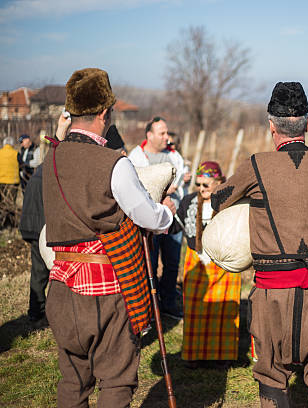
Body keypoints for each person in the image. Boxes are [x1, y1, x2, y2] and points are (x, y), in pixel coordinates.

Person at [42, 68, 175, 407]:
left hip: (60, 288)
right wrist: (167, 213)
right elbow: (145, 215)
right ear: (104, 112)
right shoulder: (113, 163)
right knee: (116, 382)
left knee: (73, 382)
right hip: (104, 291)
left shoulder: (51, 157)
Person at [210, 82, 308, 408]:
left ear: (271, 125)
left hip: (272, 294)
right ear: (307, 124)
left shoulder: (256, 164)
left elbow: (217, 200)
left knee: (271, 373)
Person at [176, 161, 241, 367]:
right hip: (197, 260)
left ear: (219, 182)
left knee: (223, 312)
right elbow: (173, 227)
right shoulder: (188, 201)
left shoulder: (230, 201)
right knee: (195, 311)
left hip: (223, 262)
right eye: (198, 184)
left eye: (206, 184)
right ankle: (194, 356)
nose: (201, 189)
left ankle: (222, 357)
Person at [19, 113, 72, 328]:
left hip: (30, 225)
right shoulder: (51, 175)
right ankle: (39, 311)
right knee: (43, 271)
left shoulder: (42, 171)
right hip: (39, 227)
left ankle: (36, 310)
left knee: (37, 271)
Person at [128, 116, 185, 319]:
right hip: (150, 222)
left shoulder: (174, 156)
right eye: (162, 133)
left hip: (173, 220)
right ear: (149, 135)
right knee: (149, 265)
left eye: (167, 132)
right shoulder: (136, 158)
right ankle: (150, 308)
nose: (166, 137)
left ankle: (168, 302)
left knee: (172, 263)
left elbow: (181, 180)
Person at [0, 137, 20, 228]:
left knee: (2, 203)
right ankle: (10, 224)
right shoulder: (16, 154)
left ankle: (2, 223)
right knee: (11, 203)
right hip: (13, 182)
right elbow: (22, 165)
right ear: (12, 145)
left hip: (1, 182)